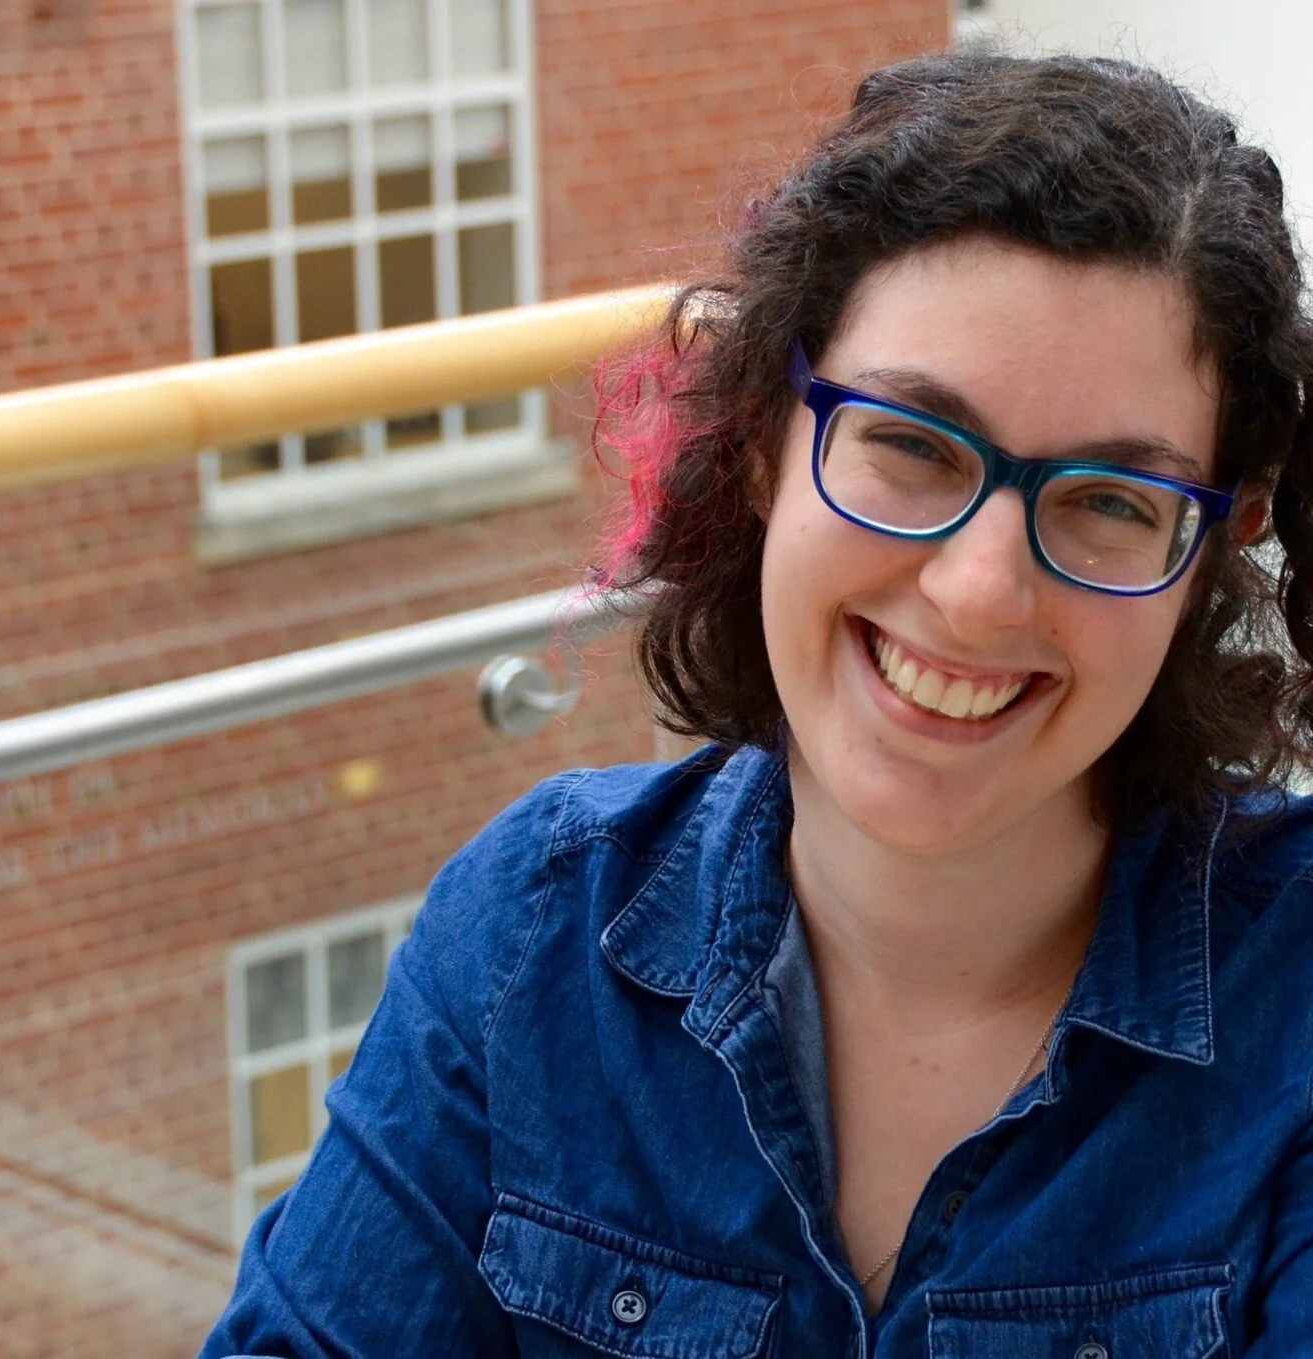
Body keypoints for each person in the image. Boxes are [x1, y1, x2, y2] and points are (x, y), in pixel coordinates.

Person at [200, 51, 1313, 1357]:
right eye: (909, 443)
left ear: (1212, 554)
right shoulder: (533, 940)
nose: (977, 591)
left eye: (1115, 502)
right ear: (760, 449)